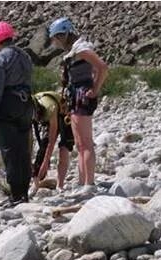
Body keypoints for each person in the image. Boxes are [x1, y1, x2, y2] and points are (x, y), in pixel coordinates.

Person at [0, 21, 35, 205]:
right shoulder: (25, 55)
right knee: (24, 150)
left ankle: (16, 194)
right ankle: (24, 193)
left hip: (6, 107)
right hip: (26, 105)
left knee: (10, 152)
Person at [48, 17, 108, 188]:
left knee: (86, 142)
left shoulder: (82, 49)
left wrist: (94, 90)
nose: (57, 41)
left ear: (66, 34)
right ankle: (83, 182)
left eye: (58, 37)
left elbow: (102, 67)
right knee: (80, 144)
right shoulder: (74, 51)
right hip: (75, 97)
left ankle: (89, 183)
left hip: (82, 96)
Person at [30, 91, 74, 194]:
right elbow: (30, 139)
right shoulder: (26, 111)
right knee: (42, 149)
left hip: (64, 113)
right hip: (47, 115)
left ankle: (60, 185)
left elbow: (52, 140)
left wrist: (46, 162)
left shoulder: (50, 108)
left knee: (64, 146)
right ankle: (35, 184)